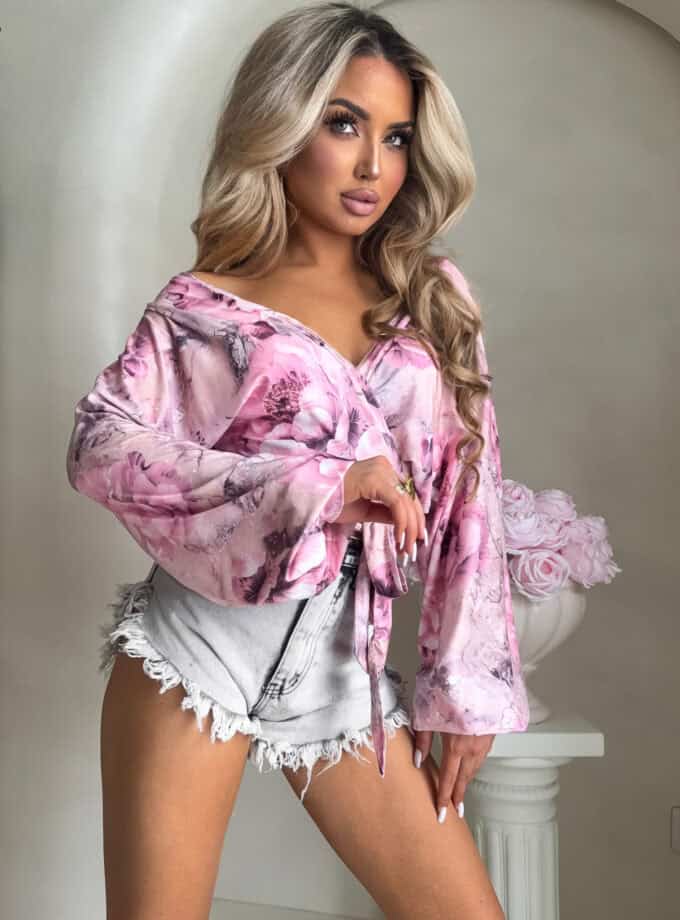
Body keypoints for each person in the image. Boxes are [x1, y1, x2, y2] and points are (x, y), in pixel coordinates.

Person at [65, 3, 529, 918]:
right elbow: (99, 445)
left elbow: (471, 494)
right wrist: (314, 486)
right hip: (196, 649)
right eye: (343, 124)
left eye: (396, 138)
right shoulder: (204, 308)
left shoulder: (432, 298)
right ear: (282, 123)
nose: (373, 167)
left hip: (342, 672)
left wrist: (463, 690)